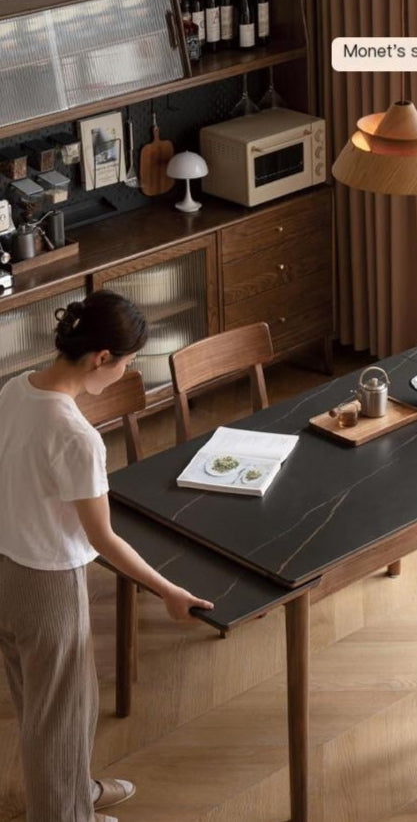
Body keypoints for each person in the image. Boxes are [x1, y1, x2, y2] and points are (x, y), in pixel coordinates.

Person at [0, 290, 214, 822]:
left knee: (39, 705)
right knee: (64, 714)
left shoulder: (13, 389)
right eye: (126, 363)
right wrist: (169, 591)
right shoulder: (75, 436)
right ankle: (67, 815)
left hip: (3, 564)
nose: (124, 372)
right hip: (45, 583)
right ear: (101, 359)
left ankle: (75, 790)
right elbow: (104, 540)